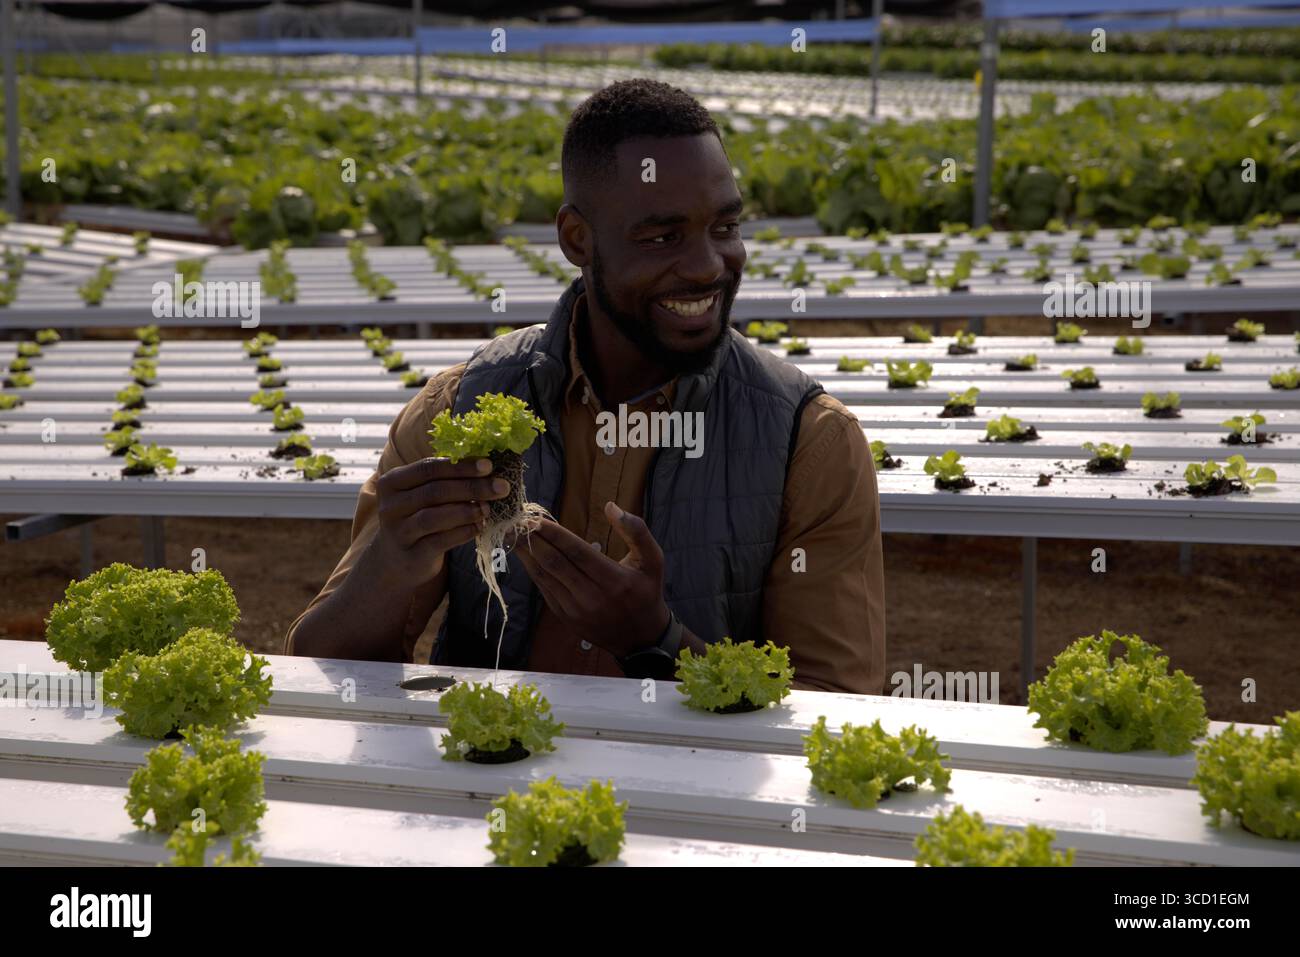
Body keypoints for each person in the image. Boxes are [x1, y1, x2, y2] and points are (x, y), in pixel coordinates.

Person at [286, 78, 885, 693]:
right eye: (662, 237)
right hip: (484, 784)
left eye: (725, 228)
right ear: (578, 239)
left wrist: (655, 641)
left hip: (690, 791)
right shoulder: (455, 410)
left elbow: (837, 709)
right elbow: (323, 671)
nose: (709, 265)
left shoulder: (808, 442)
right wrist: (392, 560)